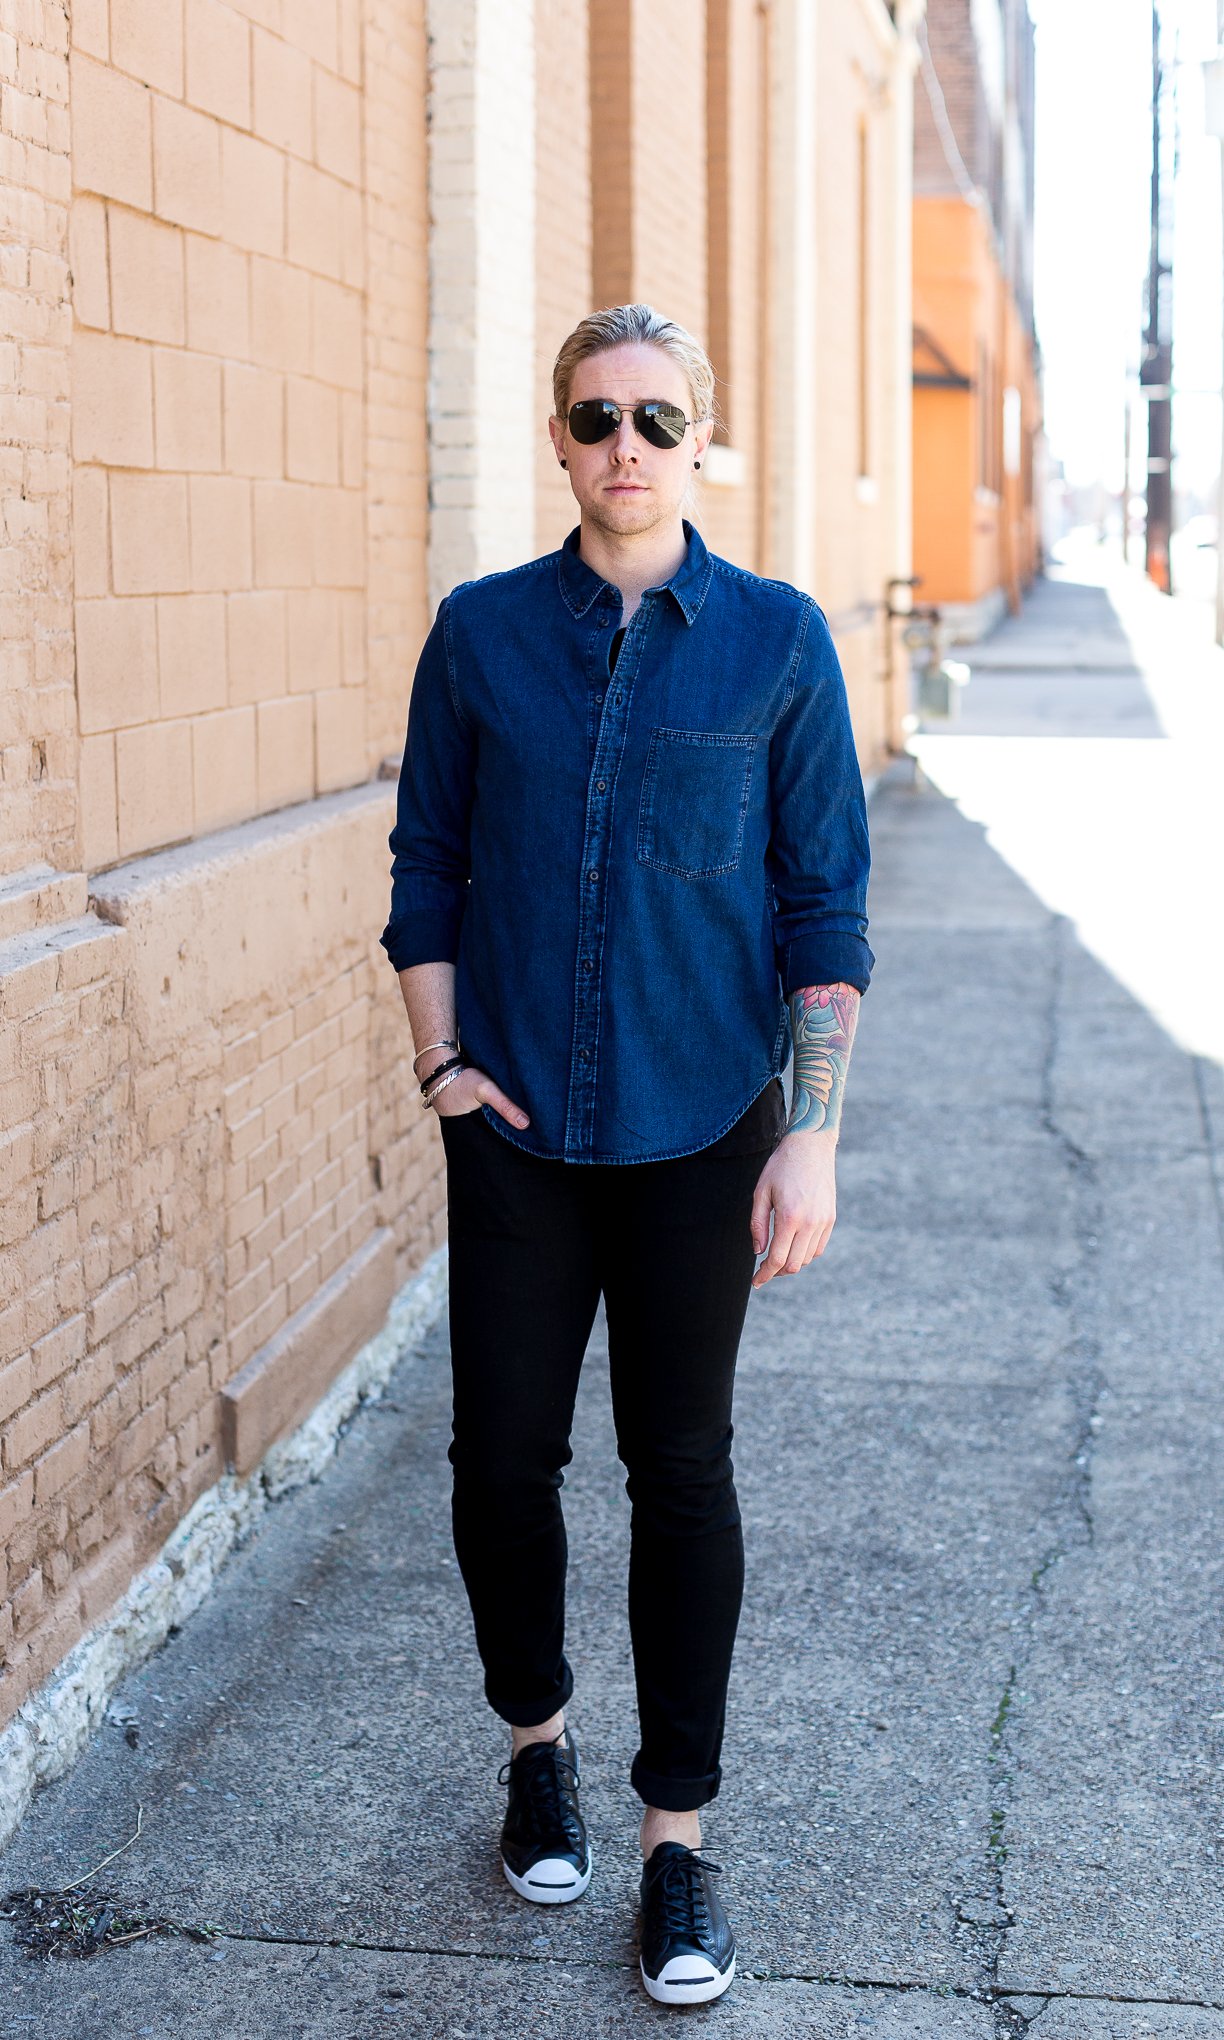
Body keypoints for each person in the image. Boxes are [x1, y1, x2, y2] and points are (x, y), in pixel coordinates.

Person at [379, 302, 872, 2007]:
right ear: (560, 438)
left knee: (683, 1470)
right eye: (596, 417)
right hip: (515, 1128)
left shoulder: (781, 642)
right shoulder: (482, 634)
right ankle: (538, 1746)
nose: (626, 448)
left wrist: (808, 1138)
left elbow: (825, 911)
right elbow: (424, 862)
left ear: (700, 442)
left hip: (699, 1128)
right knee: (499, 1460)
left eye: (658, 420)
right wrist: (440, 1060)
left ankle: (678, 1844)